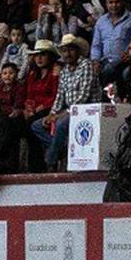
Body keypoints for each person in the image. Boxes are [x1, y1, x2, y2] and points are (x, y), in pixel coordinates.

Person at [31, 33, 96, 172]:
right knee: (37, 126)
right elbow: (60, 96)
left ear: (78, 50)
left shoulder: (86, 65)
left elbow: (83, 97)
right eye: (65, 50)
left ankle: (51, 160)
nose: (68, 54)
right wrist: (52, 114)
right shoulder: (65, 70)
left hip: (88, 109)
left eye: (71, 49)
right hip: (69, 110)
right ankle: (63, 149)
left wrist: (61, 114)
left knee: (61, 124)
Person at [23, 38, 59, 171]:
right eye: (37, 55)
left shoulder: (55, 73)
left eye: (43, 55)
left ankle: (37, 166)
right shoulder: (32, 74)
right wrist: (28, 108)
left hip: (50, 108)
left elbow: (57, 95)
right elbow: (29, 95)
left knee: (30, 126)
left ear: (50, 57)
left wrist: (42, 106)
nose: (39, 58)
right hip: (34, 110)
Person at [90, 0, 131, 85]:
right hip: (104, 62)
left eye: (117, 2)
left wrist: (129, 54)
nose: (114, 5)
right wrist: (95, 61)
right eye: (110, 2)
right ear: (106, 4)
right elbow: (96, 45)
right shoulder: (101, 21)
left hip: (124, 62)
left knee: (111, 71)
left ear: (122, 2)